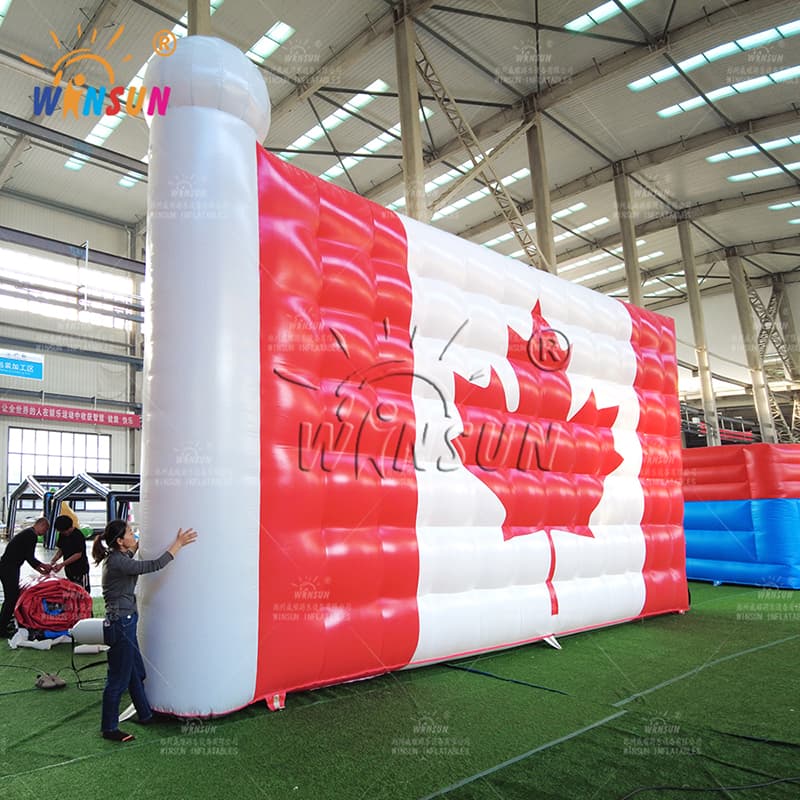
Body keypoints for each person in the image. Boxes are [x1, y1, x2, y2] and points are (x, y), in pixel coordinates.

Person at [91, 519, 197, 742]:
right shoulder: (119, 562)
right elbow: (152, 566)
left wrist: (139, 543)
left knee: (135, 673)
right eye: (130, 532)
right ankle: (109, 728)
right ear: (120, 541)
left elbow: (132, 557)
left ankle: (145, 715)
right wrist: (178, 543)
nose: (134, 534)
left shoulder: (118, 557)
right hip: (121, 624)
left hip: (124, 622)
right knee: (118, 679)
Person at [0, 517, 51, 637]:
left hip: (9, 566)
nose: (44, 533)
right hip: (9, 568)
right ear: (41, 526)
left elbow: (28, 557)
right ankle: (2, 628)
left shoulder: (27, 533)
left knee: (11, 596)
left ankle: (4, 622)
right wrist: (44, 567)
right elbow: (30, 557)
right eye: (46, 530)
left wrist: (42, 570)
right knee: (11, 598)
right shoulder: (31, 535)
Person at [50, 514, 91, 592]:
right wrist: (54, 560)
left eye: (62, 531)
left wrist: (62, 564)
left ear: (69, 528)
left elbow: (78, 554)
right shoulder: (63, 535)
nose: (62, 533)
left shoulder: (78, 535)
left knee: (83, 591)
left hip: (80, 569)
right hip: (69, 569)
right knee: (71, 590)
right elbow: (61, 549)